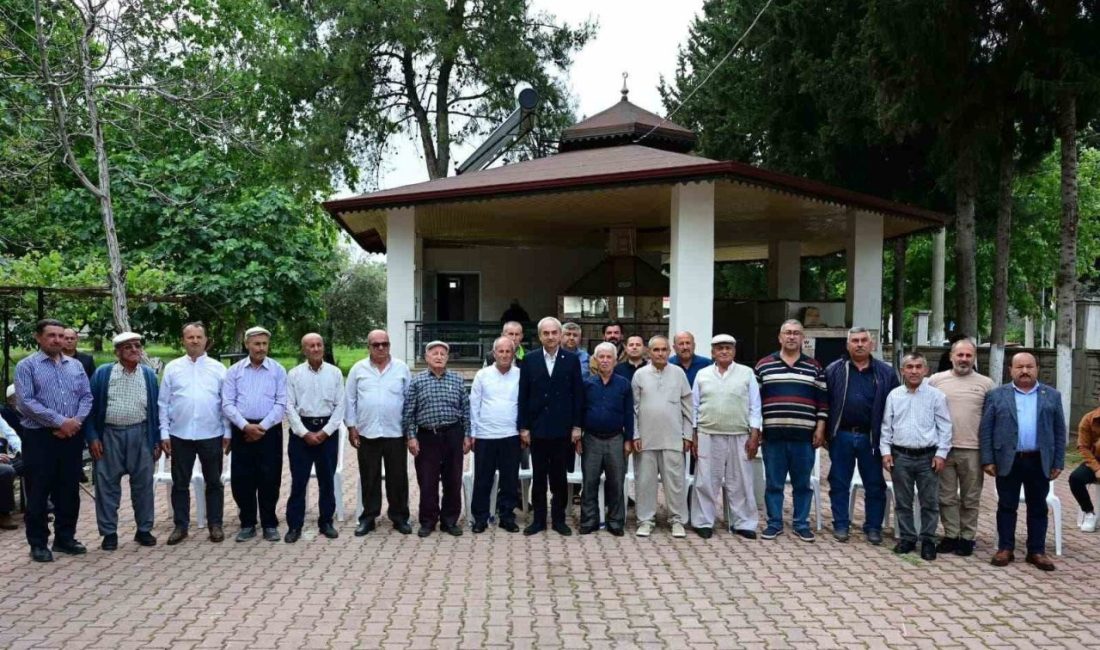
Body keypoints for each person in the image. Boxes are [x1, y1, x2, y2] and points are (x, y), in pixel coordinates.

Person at [15, 319, 93, 562]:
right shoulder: (27, 366)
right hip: (40, 438)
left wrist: (74, 422)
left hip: (71, 437)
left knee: (68, 489)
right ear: (39, 337)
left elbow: (87, 396)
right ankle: (38, 543)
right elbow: (25, 402)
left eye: (61, 335)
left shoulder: (76, 365)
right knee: (38, 490)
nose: (57, 340)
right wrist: (60, 421)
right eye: (51, 335)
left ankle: (65, 538)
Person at [980, 352, 1065, 571]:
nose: (1025, 371)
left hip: (1038, 460)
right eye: (1019, 367)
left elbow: (1059, 431)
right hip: (1008, 460)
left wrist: (1058, 461)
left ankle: (1036, 551)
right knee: (1006, 505)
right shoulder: (997, 395)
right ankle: (1005, 548)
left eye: (1029, 366)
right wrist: (988, 459)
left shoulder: (1052, 396)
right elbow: (986, 430)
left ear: (1037, 368)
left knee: (1038, 507)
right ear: (1011, 370)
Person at [85, 332, 160, 550]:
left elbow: (154, 409)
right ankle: (109, 533)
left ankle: (144, 530)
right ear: (117, 352)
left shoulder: (147, 374)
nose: (135, 350)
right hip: (109, 435)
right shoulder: (103, 373)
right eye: (128, 347)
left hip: (141, 434)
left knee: (144, 485)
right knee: (106, 485)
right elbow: (89, 409)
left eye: (137, 346)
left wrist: (154, 439)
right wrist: (92, 437)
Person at [824, 327, 899, 545]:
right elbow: (825, 403)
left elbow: (895, 407)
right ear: (847, 345)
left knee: (875, 484)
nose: (859, 344)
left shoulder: (886, 373)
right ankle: (840, 524)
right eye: (854, 340)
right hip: (842, 435)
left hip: (872, 438)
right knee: (838, 482)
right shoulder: (834, 370)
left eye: (864, 340)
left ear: (872, 344)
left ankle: (873, 527)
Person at [755, 320, 828, 542]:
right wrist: (757, 430)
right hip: (773, 435)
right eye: (787, 333)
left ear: (802, 338)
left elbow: (823, 402)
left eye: (796, 333)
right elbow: (754, 403)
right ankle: (774, 523)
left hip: (803, 436)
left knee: (802, 484)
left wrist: (820, 428)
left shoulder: (815, 367)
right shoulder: (764, 365)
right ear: (780, 337)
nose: (792, 337)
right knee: (774, 483)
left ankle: (801, 523)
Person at [159, 321, 231, 545]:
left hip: (212, 433)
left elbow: (225, 403)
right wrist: (164, 433)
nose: (195, 341)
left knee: (214, 482)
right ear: (183, 340)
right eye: (190, 337)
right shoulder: (172, 368)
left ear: (206, 340)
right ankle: (181, 526)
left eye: (199, 337)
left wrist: (228, 431)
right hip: (180, 435)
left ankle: (215, 524)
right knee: (180, 483)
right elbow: (163, 403)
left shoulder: (218, 368)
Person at [879, 352, 952, 561]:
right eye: (909, 367)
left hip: (928, 456)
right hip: (900, 455)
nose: (913, 371)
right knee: (903, 501)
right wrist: (885, 452)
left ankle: (928, 539)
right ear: (902, 371)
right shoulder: (894, 395)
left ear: (926, 370)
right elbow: (886, 426)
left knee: (929, 501)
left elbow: (945, 427)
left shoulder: (936, 396)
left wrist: (941, 454)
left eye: (918, 367)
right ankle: (908, 538)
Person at [927, 338, 995, 555]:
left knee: (970, 497)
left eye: (968, 355)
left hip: (973, 450)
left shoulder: (986, 384)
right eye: (960, 355)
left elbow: (992, 419)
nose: (964, 359)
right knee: (945, 496)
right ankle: (950, 535)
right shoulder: (935, 381)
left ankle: (967, 537)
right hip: (943, 450)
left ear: (974, 358)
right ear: (951, 356)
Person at [690, 334, 762, 539]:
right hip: (707, 434)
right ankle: (703, 522)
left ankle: (744, 523)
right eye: (719, 348)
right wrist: (694, 434)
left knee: (740, 481)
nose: (724, 351)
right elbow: (694, 407)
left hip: (739, 434)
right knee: (705, 481)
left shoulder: (747, 373)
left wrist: (754, 434)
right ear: (712, 352)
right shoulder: (702, 374)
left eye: (728, 348)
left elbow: (755, 406)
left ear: (734, 351)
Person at [518, 316, 583, 536]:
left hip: (562, 429)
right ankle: (537, 520)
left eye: (554, 333)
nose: (551, 337)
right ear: (539, 336)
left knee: (559, 477)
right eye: (546, 333)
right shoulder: (530, 359)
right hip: (536, 429)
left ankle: (558, 519)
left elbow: (577, 395)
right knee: (539, 477)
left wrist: (576, 426)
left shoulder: (571, 360)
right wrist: (524, 427)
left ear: (560, 335)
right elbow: (523, 395)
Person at [222, 326, 287, 543]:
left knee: (270, 477)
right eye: (256, 344)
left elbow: (281, 403)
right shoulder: (234, 372)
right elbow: (228, 403)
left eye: (264, 344)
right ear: (247, 344)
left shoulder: (278, 370)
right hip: (242, 430)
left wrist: (262, 427)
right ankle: (247, 523)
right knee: (243, 479)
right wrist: (245, 426)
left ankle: (269, 523)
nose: (261, 348)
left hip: (269, 430)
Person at [346, 329, 413, 536]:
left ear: (389, 345)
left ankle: (399, 517)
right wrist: (351, 427)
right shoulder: (358, 369)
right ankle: (368, 518)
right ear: (369, 347)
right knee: (369, 477)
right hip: (368, 433)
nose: (381, 347)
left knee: (398, 478)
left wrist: (410, 433)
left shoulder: (401, 368)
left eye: (385, 343)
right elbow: (350, 400)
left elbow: (410, 401)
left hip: (395, 432)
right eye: (376, 345)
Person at [402, 340, 471, 537]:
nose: (439, 356)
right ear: (427, 358)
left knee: (453, 479)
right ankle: (428, 521)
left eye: (443, 354)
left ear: (447, 358)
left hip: (452, 435)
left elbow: (465, 410)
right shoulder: (417, 381)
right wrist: (411, 437)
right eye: (435, 353)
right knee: (427, 481)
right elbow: (409, 413)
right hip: (427, 436)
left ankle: (450, 521)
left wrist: (467, 435)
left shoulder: (457, 380)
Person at [284, 333, 345, 543]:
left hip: (327, 431)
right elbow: (289, 407)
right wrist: (304, 433)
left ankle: (326, 522)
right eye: (311, 346)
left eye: (319, 345)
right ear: (304, 350)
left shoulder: (335, 373)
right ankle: (294, 525)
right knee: (298, 482)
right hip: (302, 432)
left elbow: (340, 406)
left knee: (327, 480)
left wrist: (325, 431)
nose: (316, 348)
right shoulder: (293, 374)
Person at [631, 335, 692, 538]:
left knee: (675, 483)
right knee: (645, 482)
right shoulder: (640, 375)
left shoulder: (678, 373)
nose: (660, 353)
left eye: (664, 349)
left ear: (669, 351)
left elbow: (687, 407)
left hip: (673, 437)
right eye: (656, 350)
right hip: (646, 439)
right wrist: (635, 434)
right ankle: (646, 520)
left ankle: (677, 520)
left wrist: (688, 435)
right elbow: (634, 408)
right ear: (649, 352)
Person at [578, 342, 634, 536]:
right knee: (590, 482)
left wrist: (628, 440)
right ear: (595, 359)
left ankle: (616, 521)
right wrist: (578, 436)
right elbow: (580, 410)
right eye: (601, 356)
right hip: (591, 439)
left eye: (608, 357)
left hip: (616, 439)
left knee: (616, 482)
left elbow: (629, 414)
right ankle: (589, 520)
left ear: (615, 359)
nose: (604, 360)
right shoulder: (587, 384)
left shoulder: (624, 384)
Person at [469, 337, 522, 533]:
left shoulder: (520, 375)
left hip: (511, 434)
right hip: (485, 435)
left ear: (513, 353)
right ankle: (480, 518)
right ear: (494, 353)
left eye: (508, 351)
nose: (505, 355)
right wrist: (473, 433)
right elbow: (474, 405)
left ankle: (507, 517)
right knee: (483, 479)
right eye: (500, 351)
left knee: (509, 480)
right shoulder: (482, 375)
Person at [1070, 401, 1100, 532]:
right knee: (1075, 478)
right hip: (1095, 460)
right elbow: (1083, 447)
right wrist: (1097, 468)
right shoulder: (1089, 419)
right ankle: (1089, 513)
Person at [0, 413, 21, 531]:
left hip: (6, 457)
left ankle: (36, 508)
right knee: (6, 471)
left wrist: (20, 450)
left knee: (30, 463)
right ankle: (4, 514)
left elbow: (10, 434)